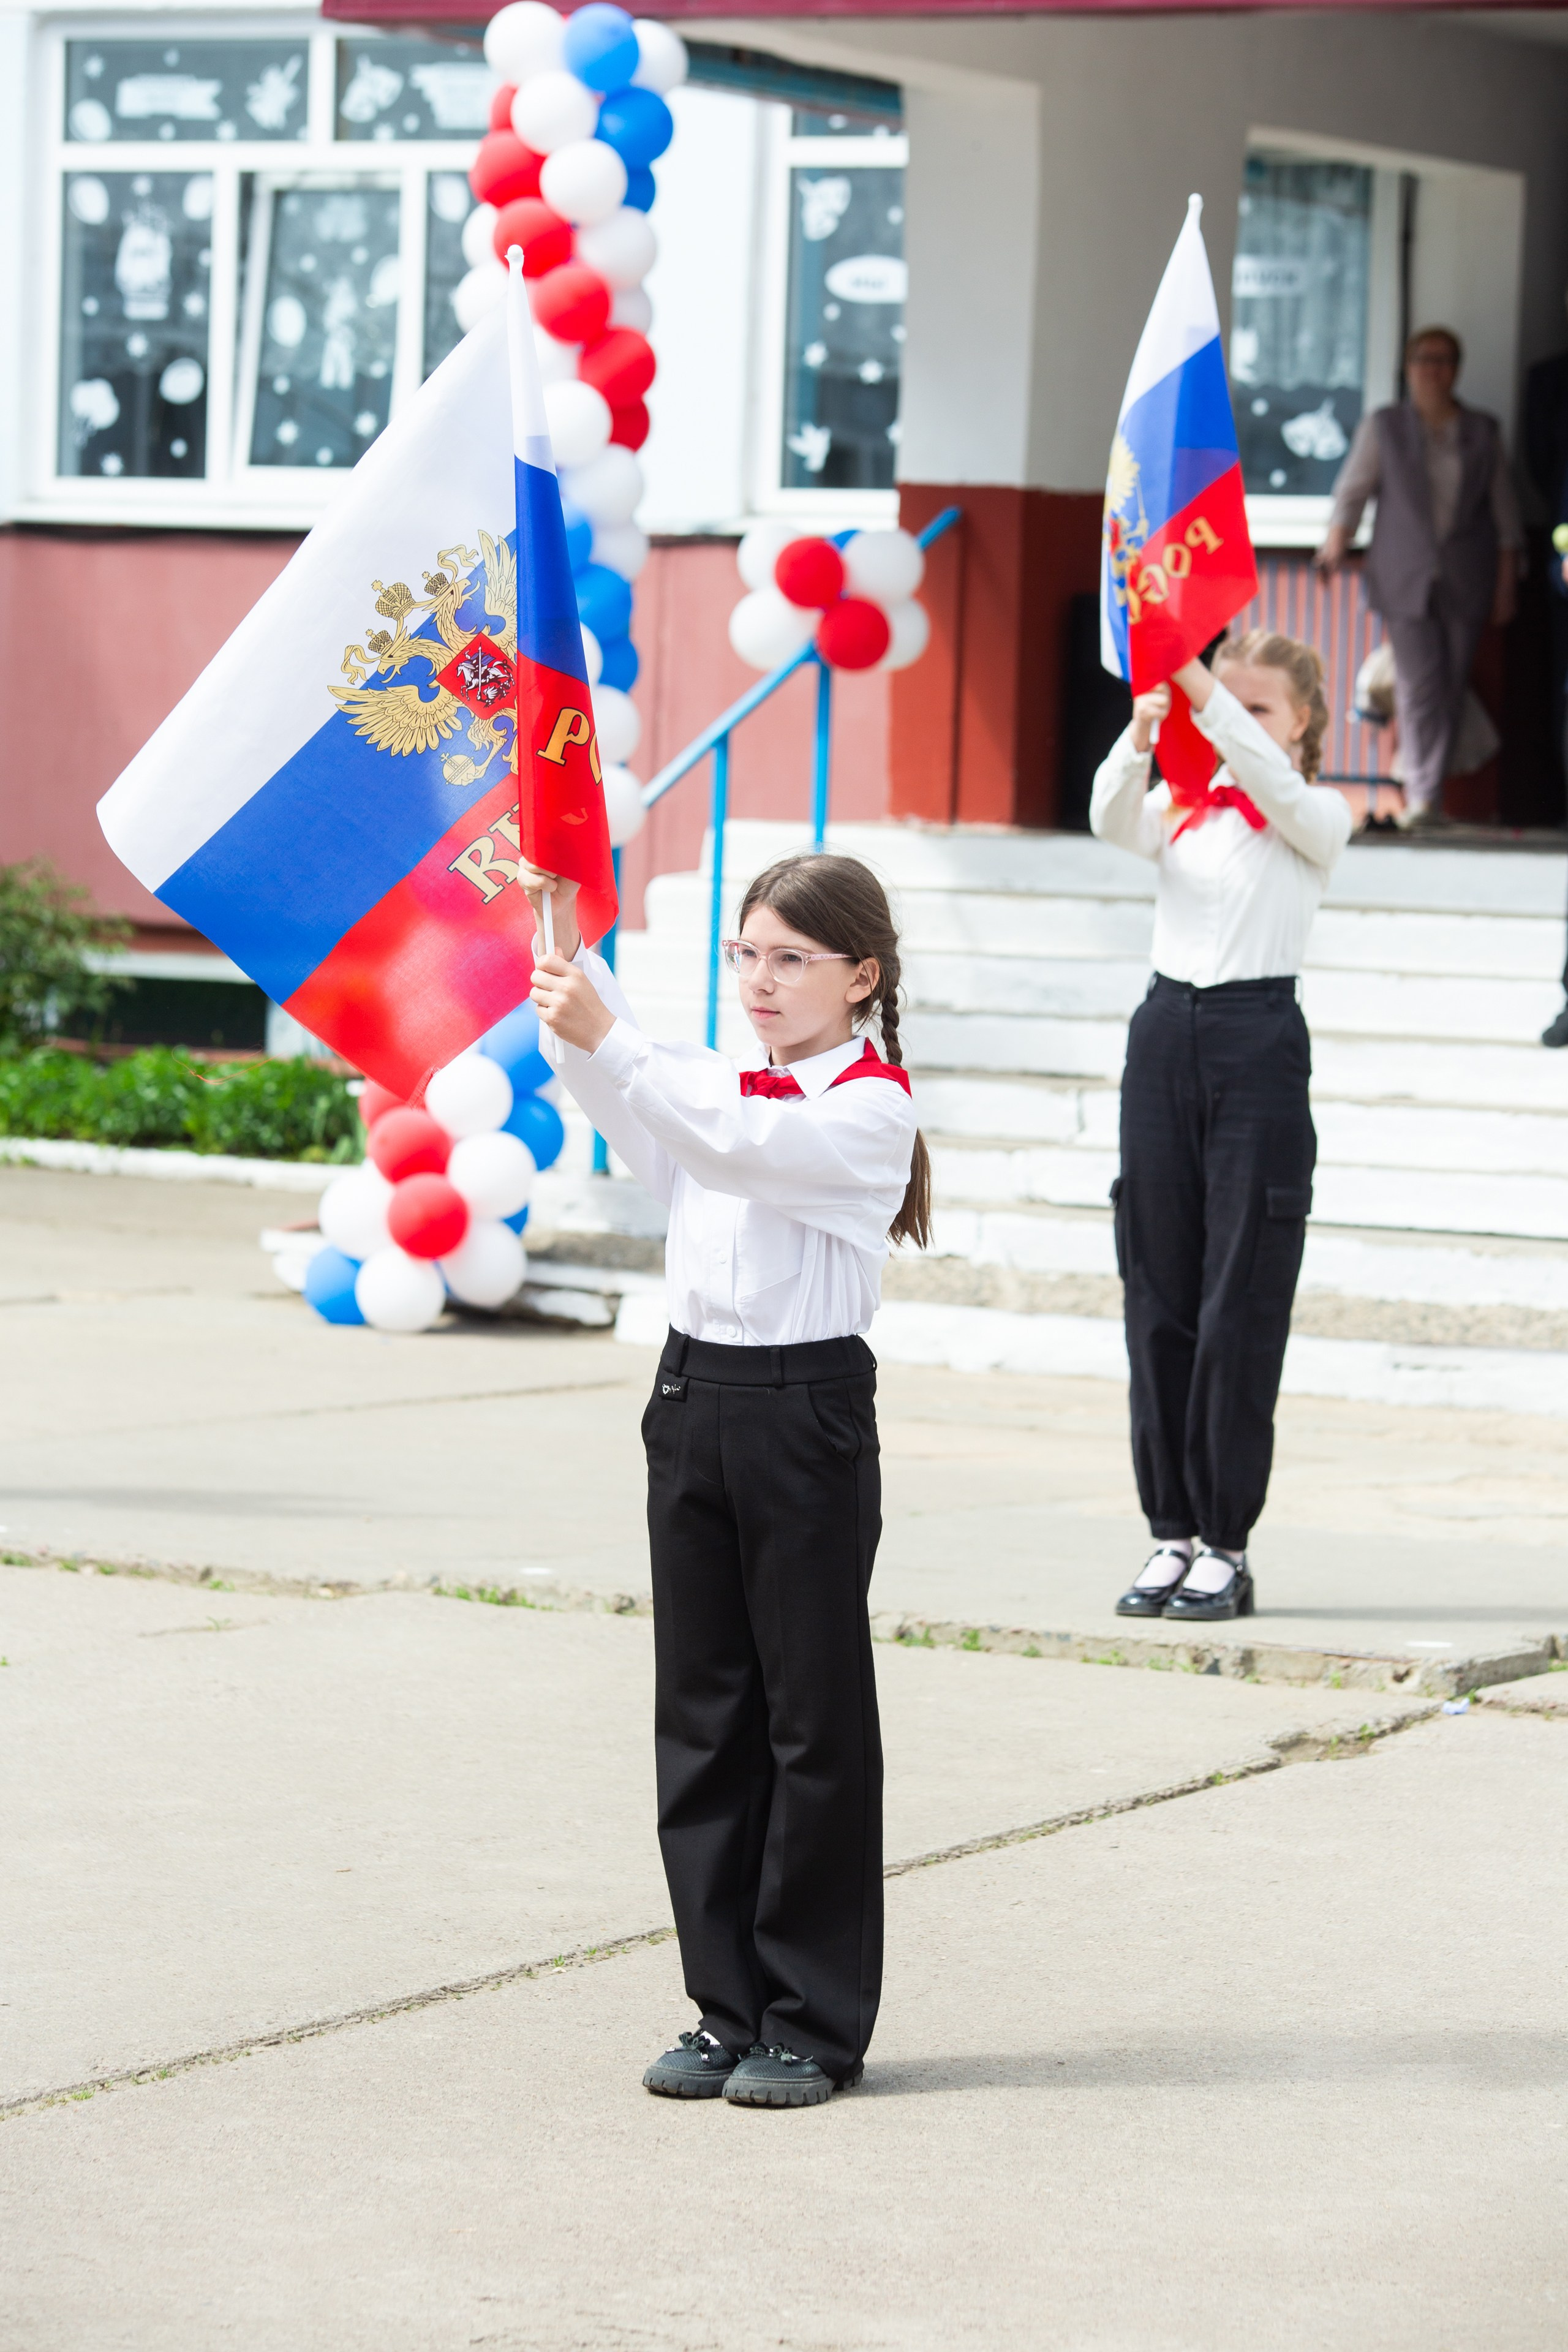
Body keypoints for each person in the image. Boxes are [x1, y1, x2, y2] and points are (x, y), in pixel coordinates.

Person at [523, 850, 927, 2109]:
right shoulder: (712, 1081)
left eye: (789, 959)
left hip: (802, 1411)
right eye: (743, 954)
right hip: (693, 1399)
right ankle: (724, 2007)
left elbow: (745, 1144)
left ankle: (811, 2018)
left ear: (859, 976)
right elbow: (626, 1095)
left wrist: (625, 1048)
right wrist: (563, 951)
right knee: (702, 1714)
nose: (759, 980)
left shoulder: (867, 1105)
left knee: (808, 1720)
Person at [1090, 631, 1352, 1622]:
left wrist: (1203, 686)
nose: (1231, 720)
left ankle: (1227, 1543)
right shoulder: (1180, 810)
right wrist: (1146, 727)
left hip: (1256, 1039)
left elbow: (1268, 775)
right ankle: (1170, 1532)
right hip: (1165, 1033)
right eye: (1226, 704)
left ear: (1304, 726)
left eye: (1262, 708)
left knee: (1239, 1298)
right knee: (1157, 1287)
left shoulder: (1314, 815)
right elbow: (1109, 817)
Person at [1316, 325, 1522, 832]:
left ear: (1457, 369)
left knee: (1450, 684)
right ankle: (1423, 796)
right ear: (1408, 368)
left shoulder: (1482, 431)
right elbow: (1354, 490)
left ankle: (1426, 793)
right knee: (1418, 683)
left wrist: (1506, 584)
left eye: (1445, 360)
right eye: (1424, 359)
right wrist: (1336, 542)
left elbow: (1506, 518)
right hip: (1403, 574)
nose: (1434, 369)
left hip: (1467, 575)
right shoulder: (1386, 425)